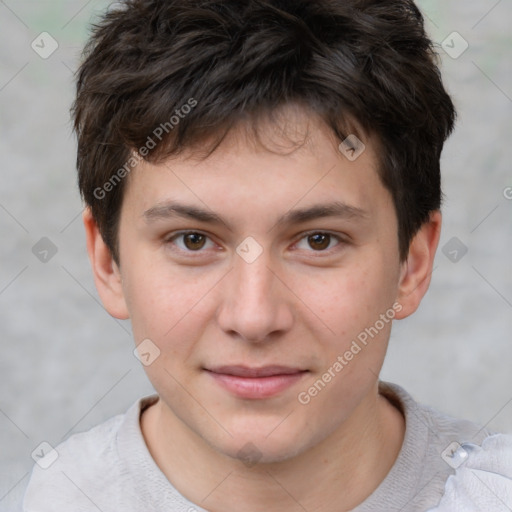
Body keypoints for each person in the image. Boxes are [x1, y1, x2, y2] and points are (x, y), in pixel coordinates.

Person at [23, 0, 512, 510]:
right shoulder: (63, 495)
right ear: (108, 262)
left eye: (318, 240)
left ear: (412, 263)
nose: (254, 318)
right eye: (192, 240)